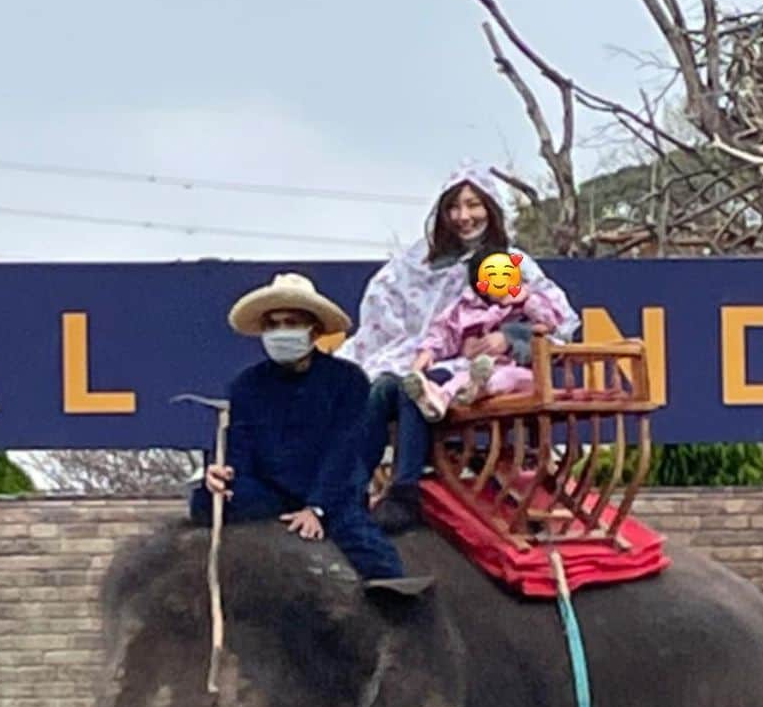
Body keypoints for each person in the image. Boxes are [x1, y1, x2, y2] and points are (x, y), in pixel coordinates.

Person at [336, 162, 579, 532]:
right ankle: (351, 489)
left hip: (495, 368)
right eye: (454, 207)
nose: (463, 216)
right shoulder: (420, 263)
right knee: (383, 386)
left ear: (491, 208)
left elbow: (558, 320)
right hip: (440, 358)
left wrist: (510, 337)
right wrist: (425, 350)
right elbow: (431, 320)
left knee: (409, 389)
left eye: (473, 205)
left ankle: (405, 492)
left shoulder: (512, 264)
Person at [189, 272, 425, 591]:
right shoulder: (246, 385)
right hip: (269, 492)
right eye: (273, 324)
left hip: (331, 490)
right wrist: (222, 476)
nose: (281, 331)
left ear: (313, 329)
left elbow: (346, 451)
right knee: (204, 500)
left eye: (291, 322)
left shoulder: (348, 380)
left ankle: (399, 597)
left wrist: (317, 507)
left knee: (367, 548)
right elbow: (237, 448)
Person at [401, 247, 565, 420]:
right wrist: (428, 351)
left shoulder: (526, 305)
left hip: (524, 374)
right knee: (462, 376)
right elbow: (443, 331)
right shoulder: (467, 309)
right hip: (478, 369)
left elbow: (552, 322)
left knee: (505, 377)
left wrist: (527, 301)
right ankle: (439, 398)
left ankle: (469, 390)